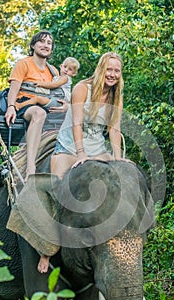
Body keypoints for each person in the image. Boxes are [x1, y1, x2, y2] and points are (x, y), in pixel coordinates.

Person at [37, 51, 133, 273]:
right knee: (56, 189)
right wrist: (80, 154)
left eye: (116, 71)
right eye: (109, 69)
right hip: (71, 146)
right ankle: (46, 250)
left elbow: (114, 129)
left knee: (121, 182)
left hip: (97, 149)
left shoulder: (116, 94)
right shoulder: (83, 88)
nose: (112, 74)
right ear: (101, 69)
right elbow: (76, 124)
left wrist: (118, 159)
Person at [5, 30, 68, 182]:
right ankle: (30, 167)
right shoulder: (24, 63)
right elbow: (14, 89)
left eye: (49, 43)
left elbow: (61, 93)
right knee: (39, 113)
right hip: (26, 106)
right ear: (33, 45)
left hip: (47, 105)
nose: (45, 45)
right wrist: (11, 107)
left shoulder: (52, 70)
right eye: (42, 41)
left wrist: (66, 106)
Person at [15, 57, 80, 111]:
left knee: (38, 99)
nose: (66, 70)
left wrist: (42, 84)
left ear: (74, 74)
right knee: (38, 99)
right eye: (65, 67)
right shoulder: (56, 77)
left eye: (70, 69)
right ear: (61, 66)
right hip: (55, 98)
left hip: (60, 101)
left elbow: (54, 85)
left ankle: (20, 105)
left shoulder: (66, 78)